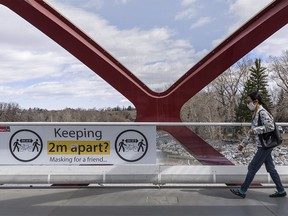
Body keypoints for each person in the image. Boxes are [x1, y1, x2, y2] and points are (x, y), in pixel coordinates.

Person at [230, 91, 286, 198]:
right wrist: (243, 144)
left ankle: (242, 191)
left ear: (256, 101)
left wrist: (256, 130)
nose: (247, 103)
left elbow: (270, 127)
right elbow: (252, 131)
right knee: (270, 168)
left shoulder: (262, 112)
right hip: (264, 145)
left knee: (252, 167)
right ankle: (281, 190)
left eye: (248, 101)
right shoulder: (255, 113)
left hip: (264, 146)